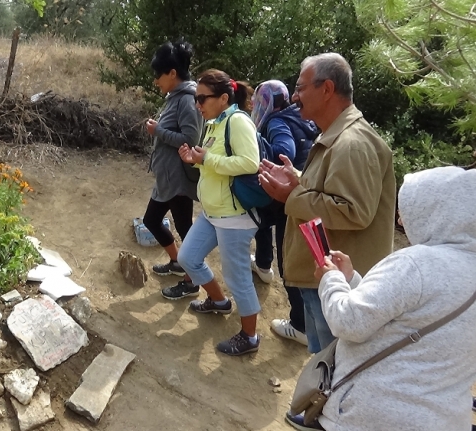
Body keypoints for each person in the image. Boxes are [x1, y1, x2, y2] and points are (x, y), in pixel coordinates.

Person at [299, 166, 476, 431]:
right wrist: (353, 281)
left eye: (409, 211)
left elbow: (349, 322)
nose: (403, 221)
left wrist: (331, 279)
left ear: (437, 211)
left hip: (371, 415)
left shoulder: (415, 264)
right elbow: (409, 314)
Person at [258, 53, 396, 355]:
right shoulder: (336, 136)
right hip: (323, 276)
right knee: (323, 363)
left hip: (340, 286)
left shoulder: (352, 143)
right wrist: (295, 178)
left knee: (334, 369)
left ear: (327, 89)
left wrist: (290, 196)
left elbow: (352, 210)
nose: (294, 97)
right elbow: (330, 190)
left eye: (300, 87)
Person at [167, 69, 262, 356]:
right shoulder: (213, 124)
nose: (198, 104)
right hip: (213, 211)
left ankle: (250, 336)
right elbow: (213, 162)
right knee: (187, 257)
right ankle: (219, 302)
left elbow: (249, 162)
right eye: (197, 98)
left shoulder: (237, 122)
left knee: (238, 278)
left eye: (202, 98)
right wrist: (195, 160)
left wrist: (206, 157)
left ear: (223, 98)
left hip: (235, 216)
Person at [249, 80, 318, 346]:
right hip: (299, 193)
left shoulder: (276, 122)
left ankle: (300, 326)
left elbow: (284, 152)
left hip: (283, 197)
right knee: (262, 225)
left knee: (288, 263)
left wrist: (261, 161)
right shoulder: (301, 119)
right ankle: (263, 265)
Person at [142, 40, 203, 296]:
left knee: (182, 227)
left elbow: (191, 140)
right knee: (155, 221)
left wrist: (159, 131)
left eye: (159, 75)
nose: (156, 80)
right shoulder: (176, 97)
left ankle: (192, 281)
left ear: (172, 74)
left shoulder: (187, 100)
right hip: (169, 177)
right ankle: (179, 263)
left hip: (179, 178)